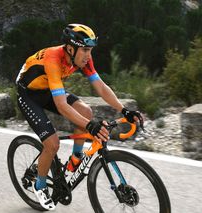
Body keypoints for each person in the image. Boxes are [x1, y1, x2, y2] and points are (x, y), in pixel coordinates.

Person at [15, 24, 143, 210]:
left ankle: (76, 158)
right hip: (29, 94)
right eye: (85, 50)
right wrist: (91, 127)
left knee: (86, 112)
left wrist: (124, 110)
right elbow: (61, 105)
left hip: (48, 89)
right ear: (70, 48)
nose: (88, 56)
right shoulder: (53, 59)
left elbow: (100, 87)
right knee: (52, 144)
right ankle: (40, 185)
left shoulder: (81, 58)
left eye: (90, 50)